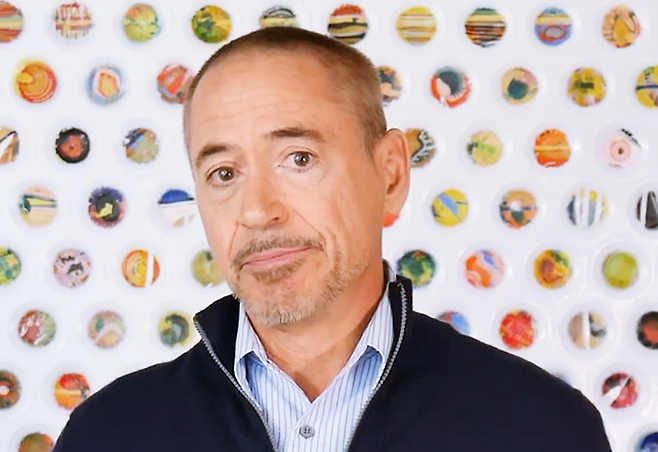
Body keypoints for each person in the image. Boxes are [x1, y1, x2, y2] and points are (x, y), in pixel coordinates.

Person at [52, 27, 612, 452]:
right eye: (223, 173)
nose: (257, 210)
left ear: (390, 175)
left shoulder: (542, 428)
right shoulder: (108, 434)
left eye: (299, 159)